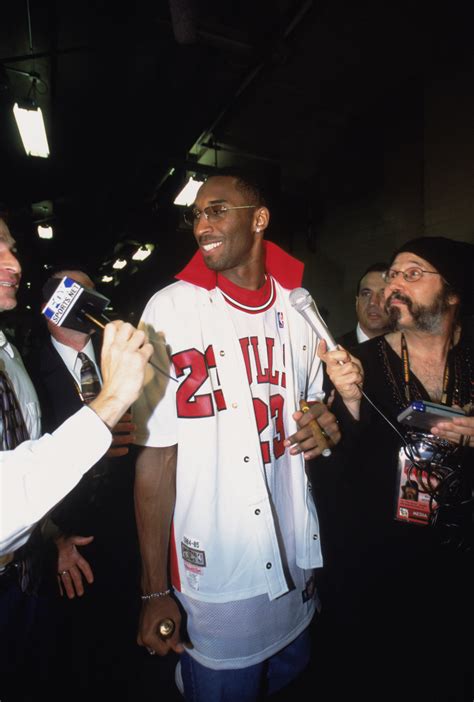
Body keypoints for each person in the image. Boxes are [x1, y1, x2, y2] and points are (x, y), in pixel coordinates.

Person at [133, 169, 341, 702]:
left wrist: (321, 423)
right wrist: (154, 589)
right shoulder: (170, 308)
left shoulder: (299, 305)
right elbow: (156, 462)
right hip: (219, 573)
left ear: (259, 219)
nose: (202, 222)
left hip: (296, 557)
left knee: (295, 675)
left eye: (217, 209)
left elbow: (313, 408)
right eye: (197, 214)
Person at [0, 218, 152, 702]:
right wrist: (53, 539)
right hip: (61, 555)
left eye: (92, 292)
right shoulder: (27, 364)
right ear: (49, 304)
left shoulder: (130, 358)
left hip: (129, 536)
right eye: (72, 292)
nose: (88, 302)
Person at [320, 235, 473, 701]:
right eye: (392, 276)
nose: (393, 287)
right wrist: (347, 403)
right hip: (385, 572)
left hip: (462, 565)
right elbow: (331, 475)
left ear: (451, 292)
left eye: (412, 274)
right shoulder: (358, 365)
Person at [337, 261, 391, 348]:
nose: (373, 302)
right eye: (366, 294)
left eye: (383, 294)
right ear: (357, 302)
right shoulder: (332, 350)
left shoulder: (410, 353)